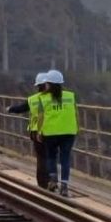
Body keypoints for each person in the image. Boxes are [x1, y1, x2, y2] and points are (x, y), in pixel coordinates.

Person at [37, 69, 79, 197]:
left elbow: (40, 117)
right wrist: (78, 127)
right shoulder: (70, 96)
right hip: (69, 132)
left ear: (48, 84)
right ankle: (64, 186)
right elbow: (76, 113)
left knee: (51, 156)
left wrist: (39, 131)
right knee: (65, 158)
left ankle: (53, 180)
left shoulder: (43, 98)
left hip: (51, 133)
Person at [6, 72, 49, 189]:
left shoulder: (33, 99)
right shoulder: (55, 99)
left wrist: (10, 109)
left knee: (41, 158)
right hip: (53, 131)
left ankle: (42, 184)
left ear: (38, 86)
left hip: (36, 132)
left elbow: (21, 108)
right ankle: (52, 182)